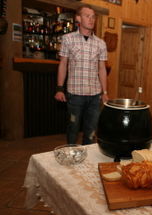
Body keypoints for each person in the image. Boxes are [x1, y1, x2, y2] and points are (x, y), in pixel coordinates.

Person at [54, 5, 108, 145]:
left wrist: (105, 91)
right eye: (87, 16)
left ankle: (87, 160)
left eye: (93, 17)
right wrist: (60, 88)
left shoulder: (101, 43)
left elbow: (102, 68)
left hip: (95, 96)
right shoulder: (68, 39)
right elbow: (63, 64)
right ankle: (71, 155)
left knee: (91, 131)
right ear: (78, 18)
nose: (91, 19)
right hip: (75, 94)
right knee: (73, 128)